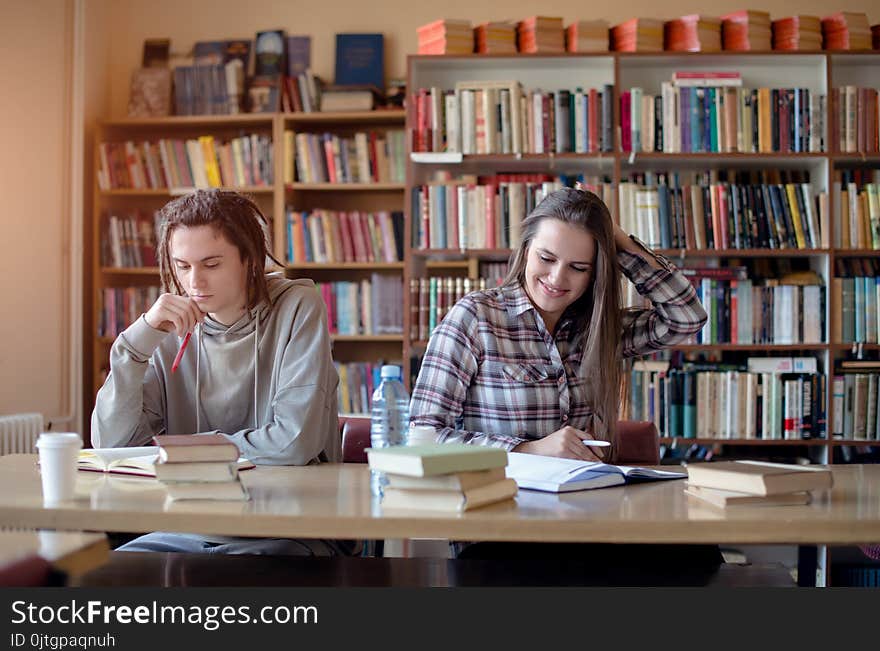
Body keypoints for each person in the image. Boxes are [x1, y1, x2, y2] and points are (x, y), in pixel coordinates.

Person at [409, 187, 719, 580]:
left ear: (596, 272)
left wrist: (619, 244)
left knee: (697, 550)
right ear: (525, 250)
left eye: (578, 266)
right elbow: (422, 438)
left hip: (589, 521)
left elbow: (686, 317)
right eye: (547, 258)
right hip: (500, 531)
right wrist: (527, 449)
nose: (557, 278)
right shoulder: (475, 318)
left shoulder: (598, 328)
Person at [91, 189, 350, 556]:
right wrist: (136, 342)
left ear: (250, 259)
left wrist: (188, 450)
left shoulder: (297, 306)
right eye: (182, 266)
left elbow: (294, 441)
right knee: (109, 574)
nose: (194, 282)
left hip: (288, 528)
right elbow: (111, 446)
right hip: (187, 526)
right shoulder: (167, 326)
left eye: (211, 264)